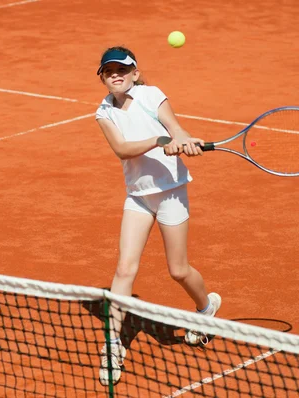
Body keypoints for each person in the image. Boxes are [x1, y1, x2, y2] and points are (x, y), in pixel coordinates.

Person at [94, 46, 222, 386]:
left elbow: (175, 129)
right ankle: (112, 345)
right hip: (138, 197)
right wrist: (158, 140)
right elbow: (122, 149)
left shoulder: (152, 95)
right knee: (124, 269)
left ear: (135, 73)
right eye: (109, 71)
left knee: (178, 270)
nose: (115, 75)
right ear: (103, 78)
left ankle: (206, 309)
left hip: (171, 193)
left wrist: (184, 141)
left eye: (122, 69)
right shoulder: (104, 113)